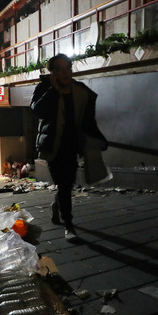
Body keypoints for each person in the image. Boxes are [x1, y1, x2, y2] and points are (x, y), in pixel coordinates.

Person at [31, 53, 107, 241]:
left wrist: (99, 139)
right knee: (64, 185)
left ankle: (57, 206)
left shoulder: (81, 91)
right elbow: (37, 111)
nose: (65, 72)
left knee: (67, 184)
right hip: (54, 146)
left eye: (67, 68)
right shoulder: (44, 88)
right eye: (59, 69)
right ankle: (69, 225)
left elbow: (88, 121)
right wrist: (53, 90)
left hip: (73, 146)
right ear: (52, 73)